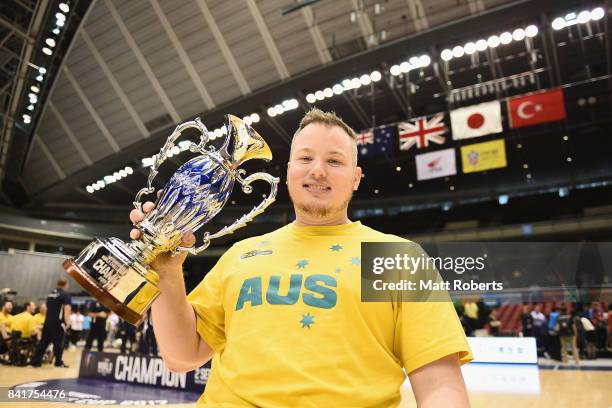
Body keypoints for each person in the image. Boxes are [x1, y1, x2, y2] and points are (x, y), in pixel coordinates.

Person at [130, 108, 472, 407]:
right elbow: (181, 356)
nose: (318, 170)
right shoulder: (241, 254)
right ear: (290, 170)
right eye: (306, 158)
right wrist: (167, 269)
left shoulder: (397, 258)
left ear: (355, 178)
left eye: (334, 161)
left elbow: (441, 387)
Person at [30, 279, 71, 367]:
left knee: (43, 342)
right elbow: (67, 309)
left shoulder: (50, 294)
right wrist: (68, 322)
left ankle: (35, 362)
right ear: (65, 285)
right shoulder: (65, 294)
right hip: (58, 322)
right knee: (58, 343)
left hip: (47, 322)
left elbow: (45, 307)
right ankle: (58, 362)